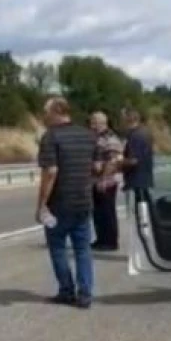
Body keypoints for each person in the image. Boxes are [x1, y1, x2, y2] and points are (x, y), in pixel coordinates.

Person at [35, 96, 97, 308]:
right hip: (83, 202)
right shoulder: (88, 135)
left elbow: (50, 172)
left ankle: (67, 291)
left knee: (58, 248)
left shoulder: (51, 137)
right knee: (83, 249)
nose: (44, 116)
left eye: (46, 112)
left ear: (56, 111)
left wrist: (42, 204)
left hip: (59, 205)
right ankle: (86, 293)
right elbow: (97, 167)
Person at [89, 111, 124, 251]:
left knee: (107, 211)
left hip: (107, 181)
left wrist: (103, 178)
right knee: (98, 212)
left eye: (93, 122)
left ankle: (110, 241)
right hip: (96, 180)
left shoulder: (111, 138)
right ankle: (101, 239)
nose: (91, 125)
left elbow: (113, 161)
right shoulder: (98, 138)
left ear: (101, 123)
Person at [117, 108, 155, 215]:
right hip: (144, 178)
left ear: (129, 119)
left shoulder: (135, 135)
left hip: (137, 181)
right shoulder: (145, 132)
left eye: (123, 119)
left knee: (141, 214)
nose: (121, 122)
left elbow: (134, 160)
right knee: (146, 211)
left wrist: (118, 162)